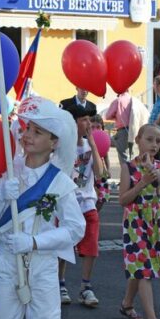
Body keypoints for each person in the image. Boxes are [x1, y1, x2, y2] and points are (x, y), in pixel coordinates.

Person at [0, 96, 85, 319]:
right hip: (7, 261)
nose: (28, 135)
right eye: (27, 128)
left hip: (43, 265)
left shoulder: (59, 182)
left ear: (54, 142)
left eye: (38, 132)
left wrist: (35, 242)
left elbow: (75, 229)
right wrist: (1, 194)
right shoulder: (5, 169)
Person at [118, 124, 160, 319]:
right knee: (144, 268)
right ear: (138, 139)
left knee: (139, 267)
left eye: (158, 141)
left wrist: (155, 172)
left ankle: (127, 304)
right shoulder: (128, 167)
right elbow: (123, 199)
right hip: (135, 221)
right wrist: (142, 183)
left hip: (155, 221)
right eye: (149, 139)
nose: (154, 145)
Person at [58, 105, 103, 307]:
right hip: (67, 203)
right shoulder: (62, 146)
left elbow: (100, 173)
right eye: (84, 119)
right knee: (64, 245)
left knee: (91, 246)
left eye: (90, 120)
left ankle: (86, 287)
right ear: (73, 122)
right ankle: (60, 283)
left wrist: (93, 145)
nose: (89, 124)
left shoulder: (89, 146)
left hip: (87, 202)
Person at [90, 114, 111, 212]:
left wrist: (108, 169)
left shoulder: (103, 138)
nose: (95, 129)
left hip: (101, 171)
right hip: (89, 171)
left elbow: (105, 155)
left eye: (98, 127)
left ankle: (96, 213)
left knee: (102, 195)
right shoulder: (87, 140)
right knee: (91, 195)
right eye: (92, 127)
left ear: (102, 127)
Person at [105, 90, 132, 163]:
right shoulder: (132, 99)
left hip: (123, 130)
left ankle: (127, 173)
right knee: (128, 154)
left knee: (124, 158)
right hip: (133, 130)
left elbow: (107, 116)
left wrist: (116, 116)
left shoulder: (118, 100)